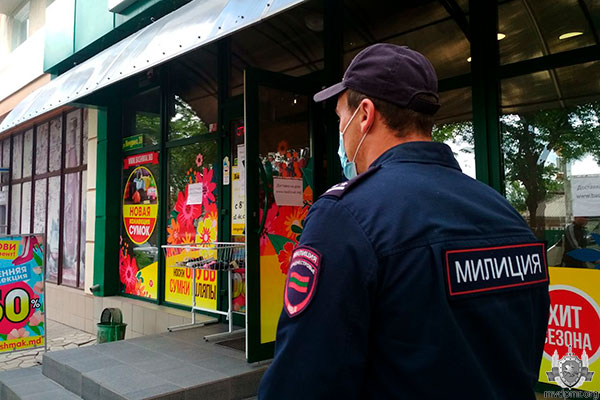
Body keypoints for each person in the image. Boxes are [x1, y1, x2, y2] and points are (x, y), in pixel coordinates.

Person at [258, 43, 550, 399]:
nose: (341, 134)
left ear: (364, 115)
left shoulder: (345, 217)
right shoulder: (504, 213)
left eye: (339, 119)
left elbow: (301, 381)